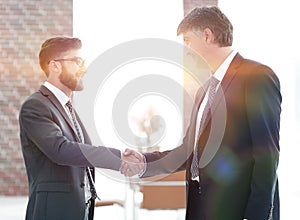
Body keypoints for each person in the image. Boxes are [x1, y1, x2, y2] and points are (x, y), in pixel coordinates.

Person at [121, 6, 281, 220]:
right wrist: (144, 161)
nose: (185, 49)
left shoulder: (256, 77)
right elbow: (189, 152)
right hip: (200, 206)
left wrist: (256, 216)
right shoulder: (205, 89)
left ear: (207, 35)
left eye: (187, 40)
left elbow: (266, 157)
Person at [18, 37, 132, 220]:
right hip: (54, 212)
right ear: (54, 66)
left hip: (80, 210)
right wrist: (117, 157)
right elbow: (61, 150)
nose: (83, 69)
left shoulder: (67, 108)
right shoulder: (35, 106)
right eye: (77, 61)